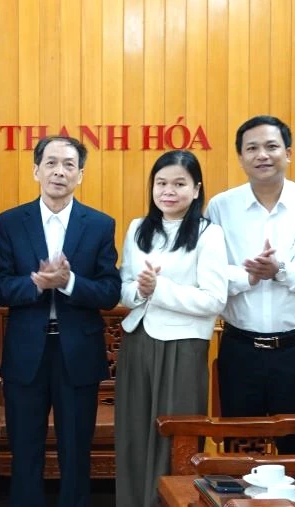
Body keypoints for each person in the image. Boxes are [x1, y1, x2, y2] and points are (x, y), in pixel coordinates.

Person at [0, 136, 121, 507]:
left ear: (80, 174)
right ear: (36, 170)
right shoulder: (11, 222)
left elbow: (109, 291)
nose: (59, 172)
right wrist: (36, 283)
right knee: (25, 451)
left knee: (76, 452)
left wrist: (69, 283)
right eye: (51, 163)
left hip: (78, 354)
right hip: (26, 353)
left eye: (68, 165)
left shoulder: (99, 224)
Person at [207, 115, 295, 453]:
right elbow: (210, 273)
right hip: (240, 349)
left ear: (288, 153)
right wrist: (248, 277)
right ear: (240, 157)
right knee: (241, 453)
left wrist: (281, 271)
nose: (262, 155)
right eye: (252, 148)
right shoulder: (221, 207)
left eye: (271, 146)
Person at [115, 150, 228, 506]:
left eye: (179, 184)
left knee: (175, 437)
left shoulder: (209, 234)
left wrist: (159, 289)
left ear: (196, 190)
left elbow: (214, 299)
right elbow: (125, 286)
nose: (168, 191)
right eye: (161, 183)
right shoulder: (138, 228)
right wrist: (139, 291)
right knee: (134, 431)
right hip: (138, 340)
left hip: (183, 346)